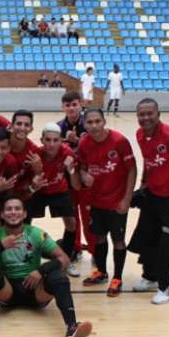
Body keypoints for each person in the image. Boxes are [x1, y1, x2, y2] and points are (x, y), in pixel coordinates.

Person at [0, 196, 93, 337]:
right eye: (8, 209)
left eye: (17, 209)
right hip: (7, 290)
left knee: (58, 277)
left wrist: (41, 271)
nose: (13, 212)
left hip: (35, 288)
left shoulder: (36, 234)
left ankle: (72, 327)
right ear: (2, 215)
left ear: (24, 214)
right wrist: (0, 246)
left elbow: (64, 259)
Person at [128, 98, 169, 305]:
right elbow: (148, 162)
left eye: (150, 113)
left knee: (168, 245)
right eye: (141, 114)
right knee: (148, 238)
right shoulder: (140, 135)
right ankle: (150, 277)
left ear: (158, 114)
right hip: (152, 196)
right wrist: (143, 185)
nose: (145, 118)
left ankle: (166, 287)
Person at [71, 108, 136, 296]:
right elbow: (81, 167)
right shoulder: (84, 143)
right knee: (98, 237)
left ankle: (117, 278)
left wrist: (127, 198)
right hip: (96, 200)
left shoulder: (120, 141)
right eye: (89, 122)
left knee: (118, 240)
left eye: (97, 121)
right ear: (85, 124)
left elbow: (132, 170)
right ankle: (101, 272)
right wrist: (83, 174)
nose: (93, 126)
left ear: (104, 121)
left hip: (116, 202)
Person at [29, 123, 79, 277]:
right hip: (39, 191)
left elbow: (76, 182)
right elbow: (28, 180)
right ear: (42, 140)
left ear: (61, 140)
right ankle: (26, 259)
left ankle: (67, 260)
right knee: (24, 223)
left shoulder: (67, 153)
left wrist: (71, 170)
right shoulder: (35, 155)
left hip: (59, 190)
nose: (52, 144)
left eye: (55, 140)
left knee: (71, 223)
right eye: (48, 140)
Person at [57, 91, 94, 256]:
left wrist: (78, 142)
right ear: (62, 107)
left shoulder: (91, 123)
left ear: (80, 105)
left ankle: (94, 249)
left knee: (88, 217)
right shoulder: (58, 127)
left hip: (87, 179)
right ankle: (75, 247)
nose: (71, 108)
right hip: (67, 179)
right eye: (67, 105)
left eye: (74, 104)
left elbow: (97, 149)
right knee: (72, 216)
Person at [7, 110, 42, 201]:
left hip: (20, 197)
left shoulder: (34, 152)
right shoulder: (1, 143)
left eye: (26, 125)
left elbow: (36, 180)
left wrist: (38, 172)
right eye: (19, 123)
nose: (22, 128)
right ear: (11, 126)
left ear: (31, 129)